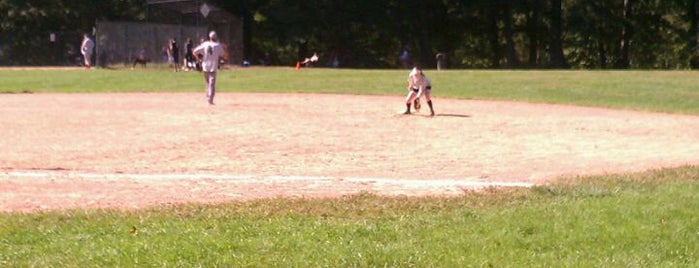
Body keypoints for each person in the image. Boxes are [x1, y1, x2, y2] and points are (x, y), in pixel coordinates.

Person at [193, 31, 226, 105]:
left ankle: (208, 98)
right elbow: (223, 54)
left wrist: (198, 60)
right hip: (213, 66)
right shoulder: (218, 45)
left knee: (208, 83)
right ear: (215, 37)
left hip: (205, 66)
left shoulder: (205, 44)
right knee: (211, 83)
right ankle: (210, 100)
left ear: (210, 37)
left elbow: (194, 52)